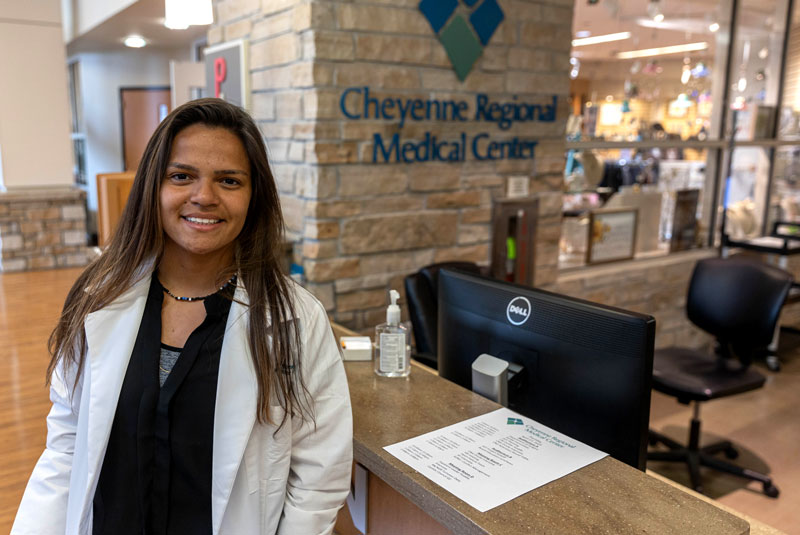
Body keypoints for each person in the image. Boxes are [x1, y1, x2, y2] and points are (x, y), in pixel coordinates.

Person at [11, 98, 353, 535]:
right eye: (181, 176)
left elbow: (318, 480)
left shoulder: (295, 321)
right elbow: (65, 450)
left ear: (254, 197)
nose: (204, 197)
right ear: (154, 186)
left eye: (229, 180)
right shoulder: (99, 299)